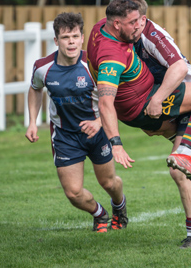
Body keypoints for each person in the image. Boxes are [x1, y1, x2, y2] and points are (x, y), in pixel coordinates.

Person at [86, 0, 191, 248]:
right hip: (163, 103)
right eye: (133, 20)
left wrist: (157, 99)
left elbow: (178, 68)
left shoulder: (151, 34)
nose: (139, 24)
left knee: (181, 167)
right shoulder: (111, 36)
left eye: (141, 18)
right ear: (117, 23)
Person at [25, 12, 128, 233]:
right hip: (65, 136)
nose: (70, 41)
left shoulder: (94, 64)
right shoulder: (43, 67)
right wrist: (32, 122)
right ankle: (100, 214)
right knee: (73, 192)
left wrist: (99, 122)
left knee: (109, 183)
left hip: (98, 133)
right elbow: (35, 89)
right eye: (65, 37)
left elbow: (114, 100)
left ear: (82, 38)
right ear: (56, 41)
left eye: (75, 36)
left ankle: (119, 206)